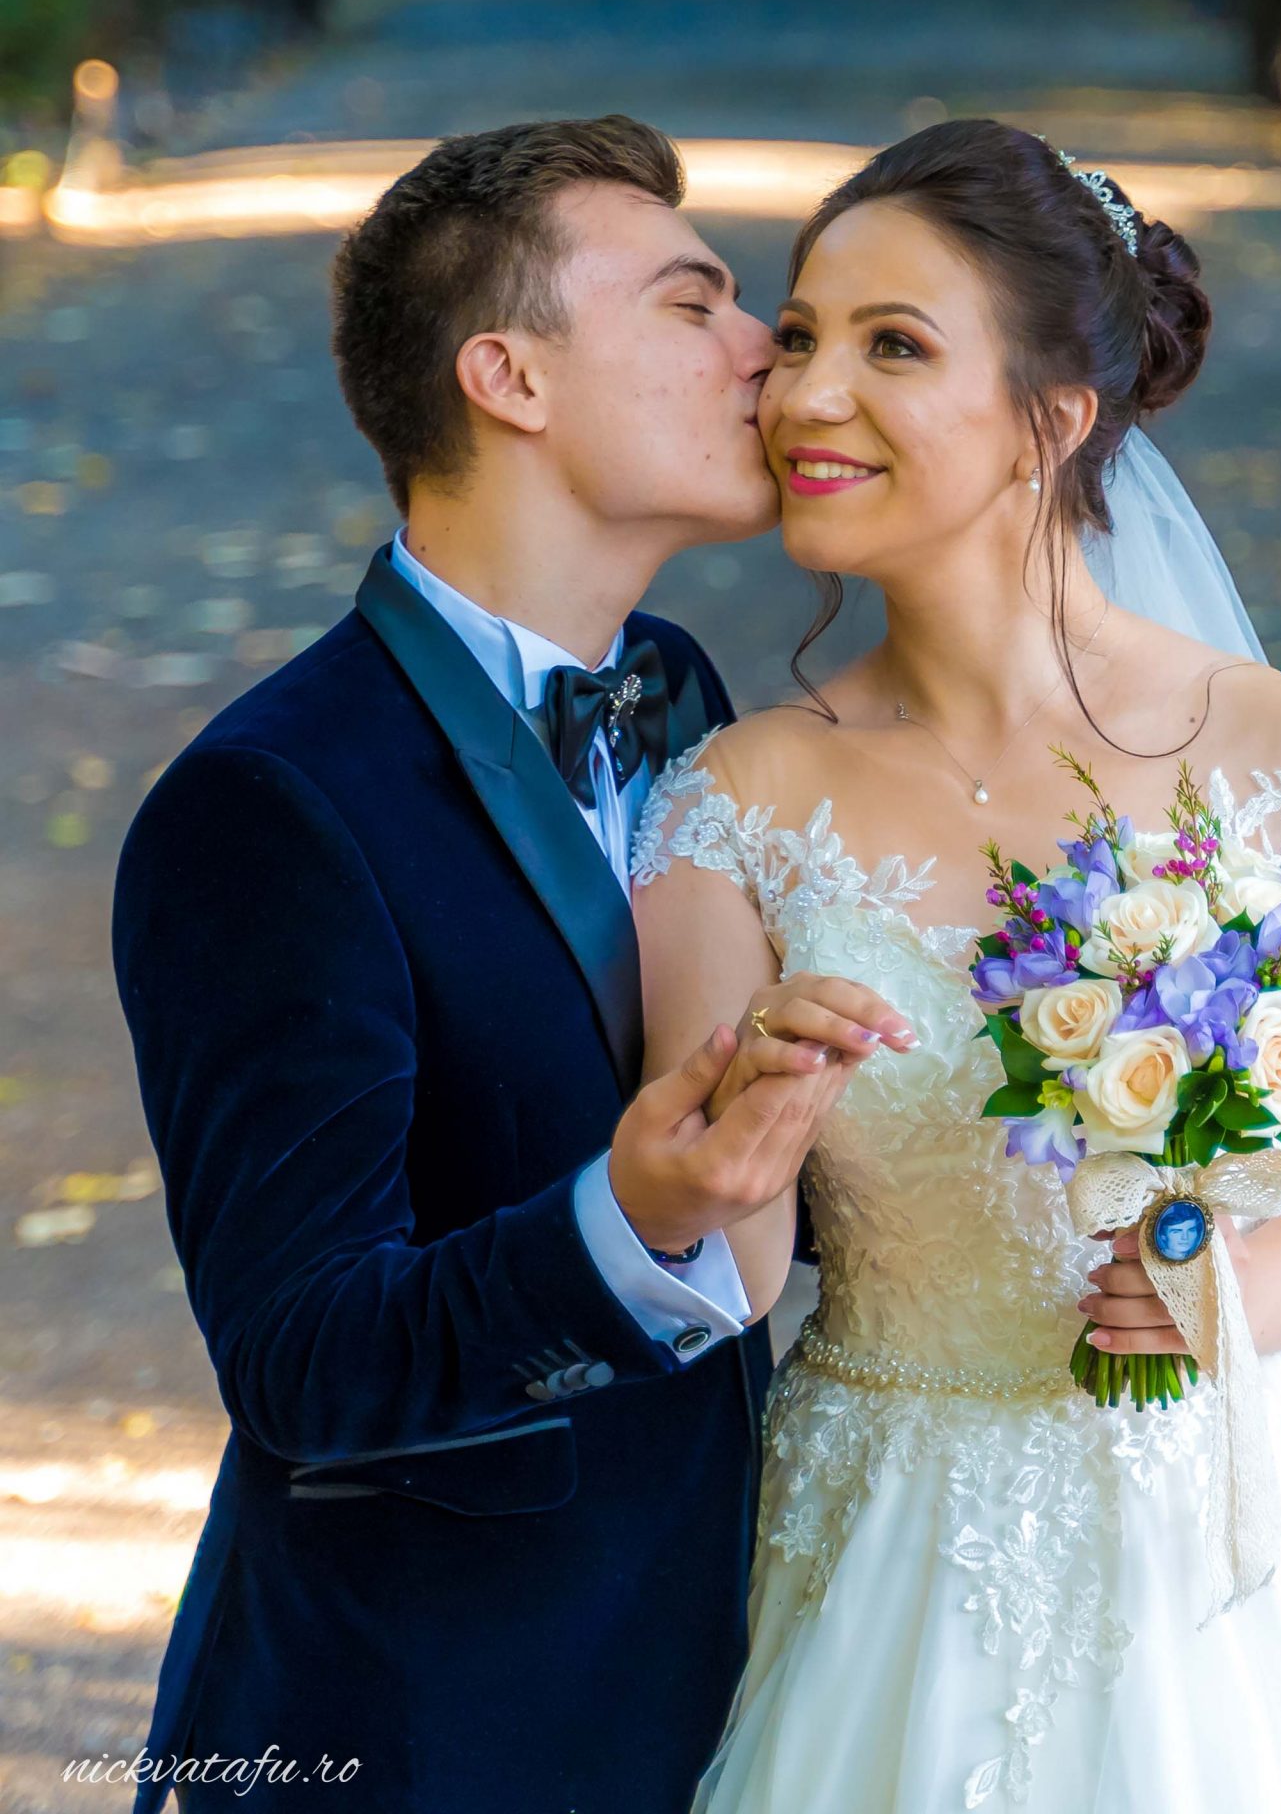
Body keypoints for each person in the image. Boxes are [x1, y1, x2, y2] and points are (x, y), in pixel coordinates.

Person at [633, 119, 1281, 1814]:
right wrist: (720, 1145)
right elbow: (728, 1277)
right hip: (897, 1535)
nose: (804, 396)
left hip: (1258, 1532)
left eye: (893, 346)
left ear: (1053, 415)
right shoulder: (734, 808)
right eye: (797, 336)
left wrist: (1226, 1299)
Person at [110, 118, 905, 1813]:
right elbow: (305, 1364)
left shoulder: (691, 697)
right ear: (508, 378)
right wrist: (633, 1220)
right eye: (695, 307)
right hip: (417, 1731)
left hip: (729, 1681)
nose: (768, 351)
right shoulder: (266, 809)